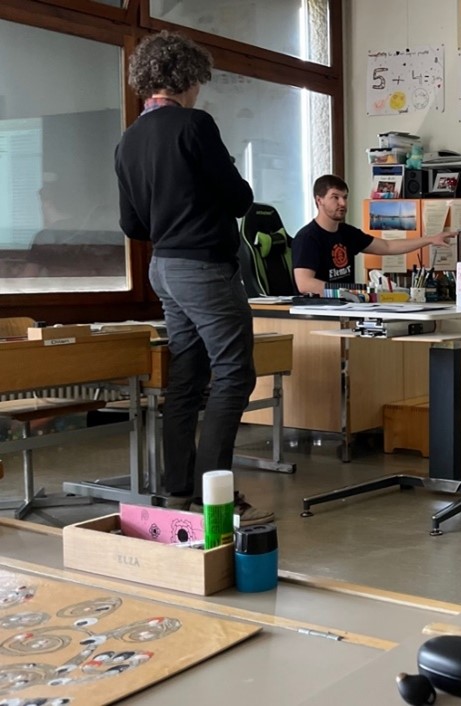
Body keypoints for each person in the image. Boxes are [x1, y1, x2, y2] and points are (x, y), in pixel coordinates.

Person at [115, 31, 271, 524]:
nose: (200, 89)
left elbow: (133, 225)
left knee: (187, 376)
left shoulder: (128, 139)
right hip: (203, 267)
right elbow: (240, 199)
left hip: (163, 268)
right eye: (200, 80)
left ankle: (178, 491)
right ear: (187, 78)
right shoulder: (194, 125)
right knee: (235, 373)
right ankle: (212, 498)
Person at [291, 175, 455, 294]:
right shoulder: (307, 238)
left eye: (345, 197)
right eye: (335, 197)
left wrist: (430, 239)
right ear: (319, 200)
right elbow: (305, 284)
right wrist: (350, 291)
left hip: (346, 309)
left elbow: (388, 246)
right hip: (320, 314)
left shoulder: (347, 232)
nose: (342, 203)